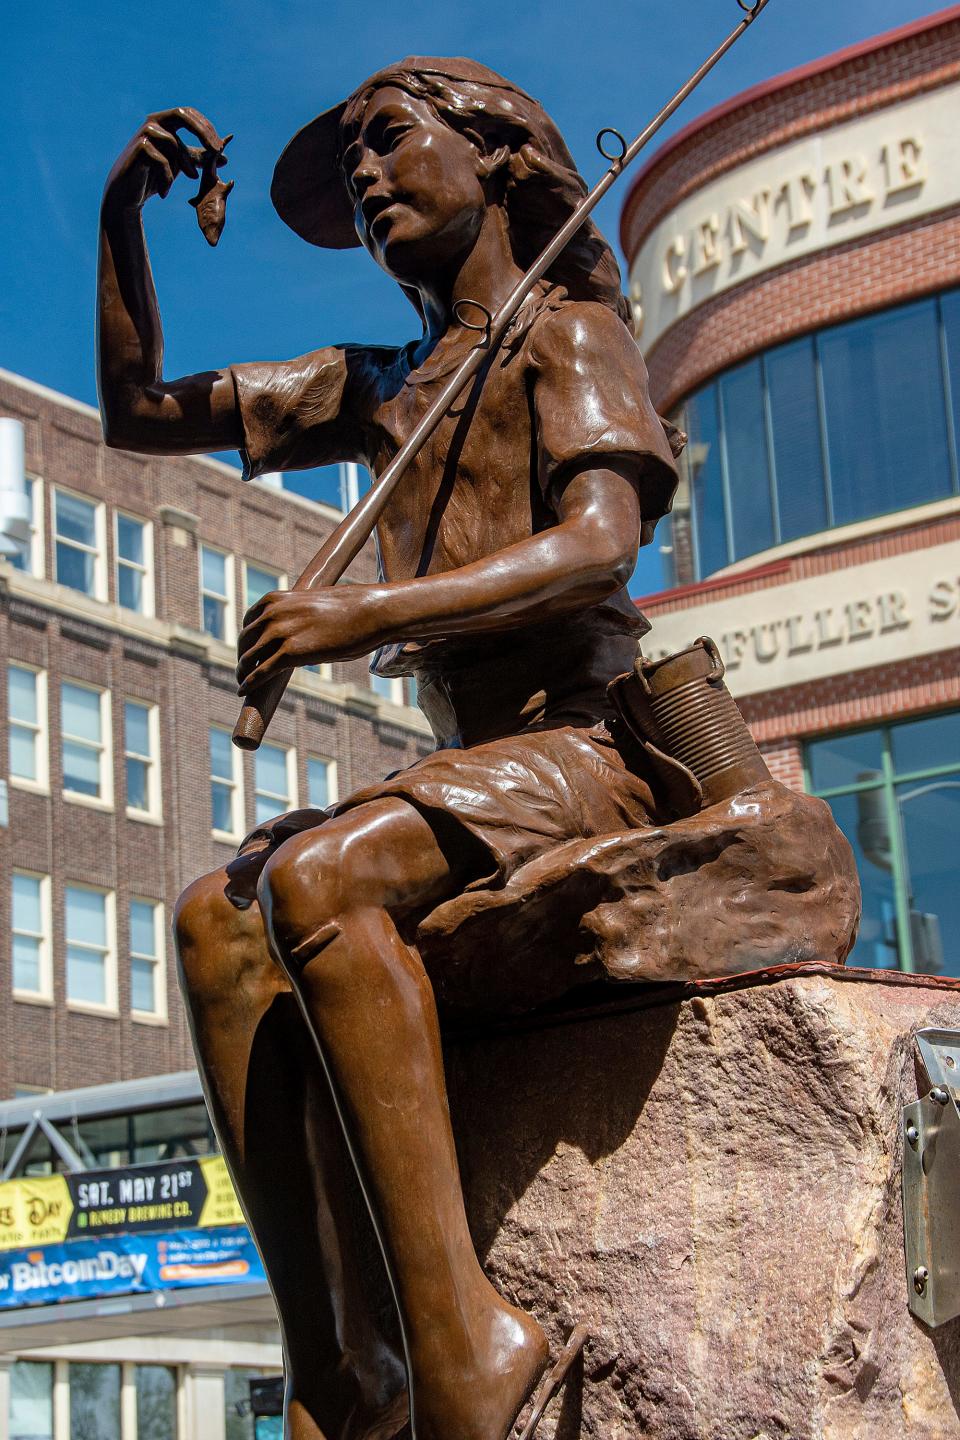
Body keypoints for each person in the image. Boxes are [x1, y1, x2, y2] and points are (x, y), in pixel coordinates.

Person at [97, 58, 683, 1440]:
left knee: (321, 881)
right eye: (347, 162)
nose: (363, 178)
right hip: (466, 770)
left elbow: (601, 544)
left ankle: (463, 1337)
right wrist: (124, 211)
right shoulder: (379, 384)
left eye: (389, 140)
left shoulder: (570, 332)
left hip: (587, 749)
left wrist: (364, 614)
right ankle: (343, 1371)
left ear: (494, 154)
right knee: (211, 922)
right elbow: (137, 415)